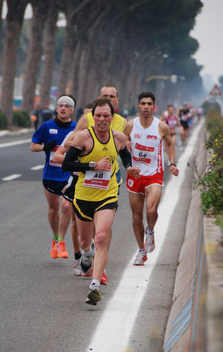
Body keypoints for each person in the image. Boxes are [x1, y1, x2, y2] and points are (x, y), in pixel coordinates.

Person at [62, 98, 140, 305]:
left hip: (107, 194)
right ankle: (86, 254)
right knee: (85, 242)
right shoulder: (83, 137)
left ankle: (95, 285)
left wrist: (130, 166)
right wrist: (93, 165)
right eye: (98, 116)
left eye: (106, 116)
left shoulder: (119, 138)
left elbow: (124, 155)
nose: (102, 120)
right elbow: (67, 164)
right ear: (92, 117)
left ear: (112, 117)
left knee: (102, 237)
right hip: (84, 196)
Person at [125, 92, 179, 266]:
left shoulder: (161, 127)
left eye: (149, 104)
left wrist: (172, 163)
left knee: (151, 211)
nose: (146, 107)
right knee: (136, 216)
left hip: (154, 175)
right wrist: (125, 145)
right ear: (139, 106)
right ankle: (141, 252)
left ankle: (150, 231)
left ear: (154, 106)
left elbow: (170, 144)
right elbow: (122, 142)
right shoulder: (130, 125)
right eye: (143, 103)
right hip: (135, 175)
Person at [30, 95, 77, 259]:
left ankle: (61, 243)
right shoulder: (46, 126)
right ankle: (55, 238)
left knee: (65, 207)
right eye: (60, 105)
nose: (63, 108)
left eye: (67, 106)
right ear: (56, 108)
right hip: (50, 175)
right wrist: (44, 147)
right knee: (53, 210)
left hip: (68, 175)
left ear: (72, 110)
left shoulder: (77, 129)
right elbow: (32, 146)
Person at [52, 103, 95, 277]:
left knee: (92, 221)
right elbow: (56, 156)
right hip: (76, 179)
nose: (87, 120)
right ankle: (78, 256)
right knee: (75, 221)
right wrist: (78, 163)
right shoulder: (74, 135)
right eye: (84, 117)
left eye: (90, 117)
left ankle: (91, 253)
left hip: (96, 182)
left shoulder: (103, 135)